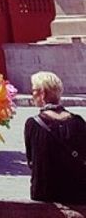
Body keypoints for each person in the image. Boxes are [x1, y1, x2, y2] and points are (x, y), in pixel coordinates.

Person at [25, 71, 86, 203]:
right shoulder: (78, 122)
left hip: (45, 193)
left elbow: (31, 160)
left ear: (43, 94)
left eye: (34, 90)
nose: (32, 94)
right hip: (77, 192)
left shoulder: (33, 124)